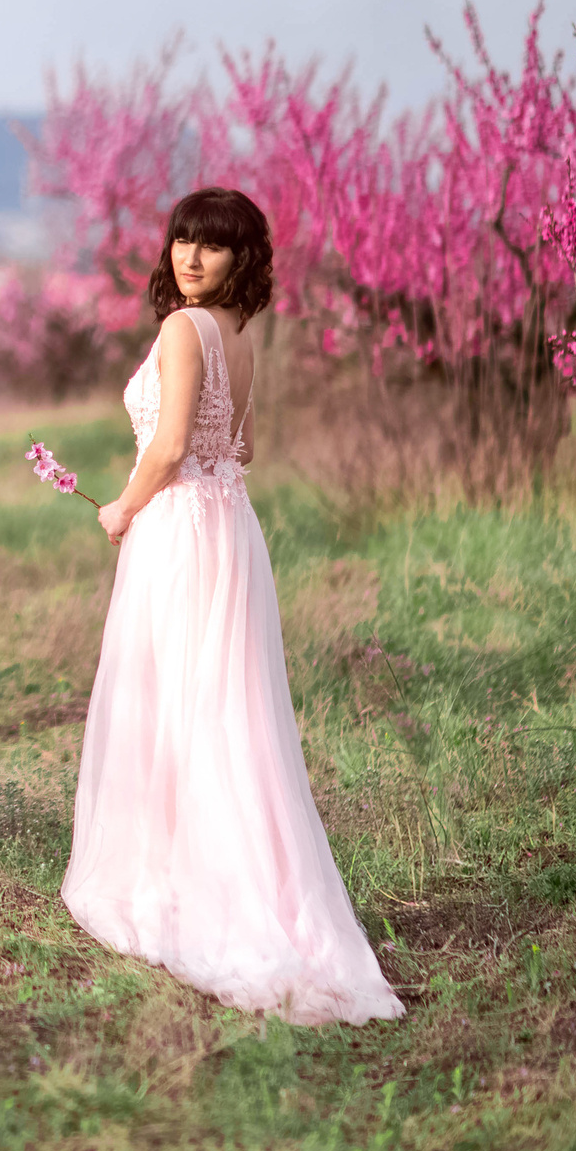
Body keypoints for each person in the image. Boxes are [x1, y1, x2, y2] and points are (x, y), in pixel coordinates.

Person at [60, 187, 404, 1025]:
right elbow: (240, 446)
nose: (189, 256)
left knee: (180, 706)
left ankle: (181, 887)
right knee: (224, 709)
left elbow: (174, 446)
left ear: (239, 258)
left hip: (180, 528)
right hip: (230, 525)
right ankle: (223, 874)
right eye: (182, 238)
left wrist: (121, 506)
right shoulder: (241, 332)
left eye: (211, 246)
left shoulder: (184, 329)